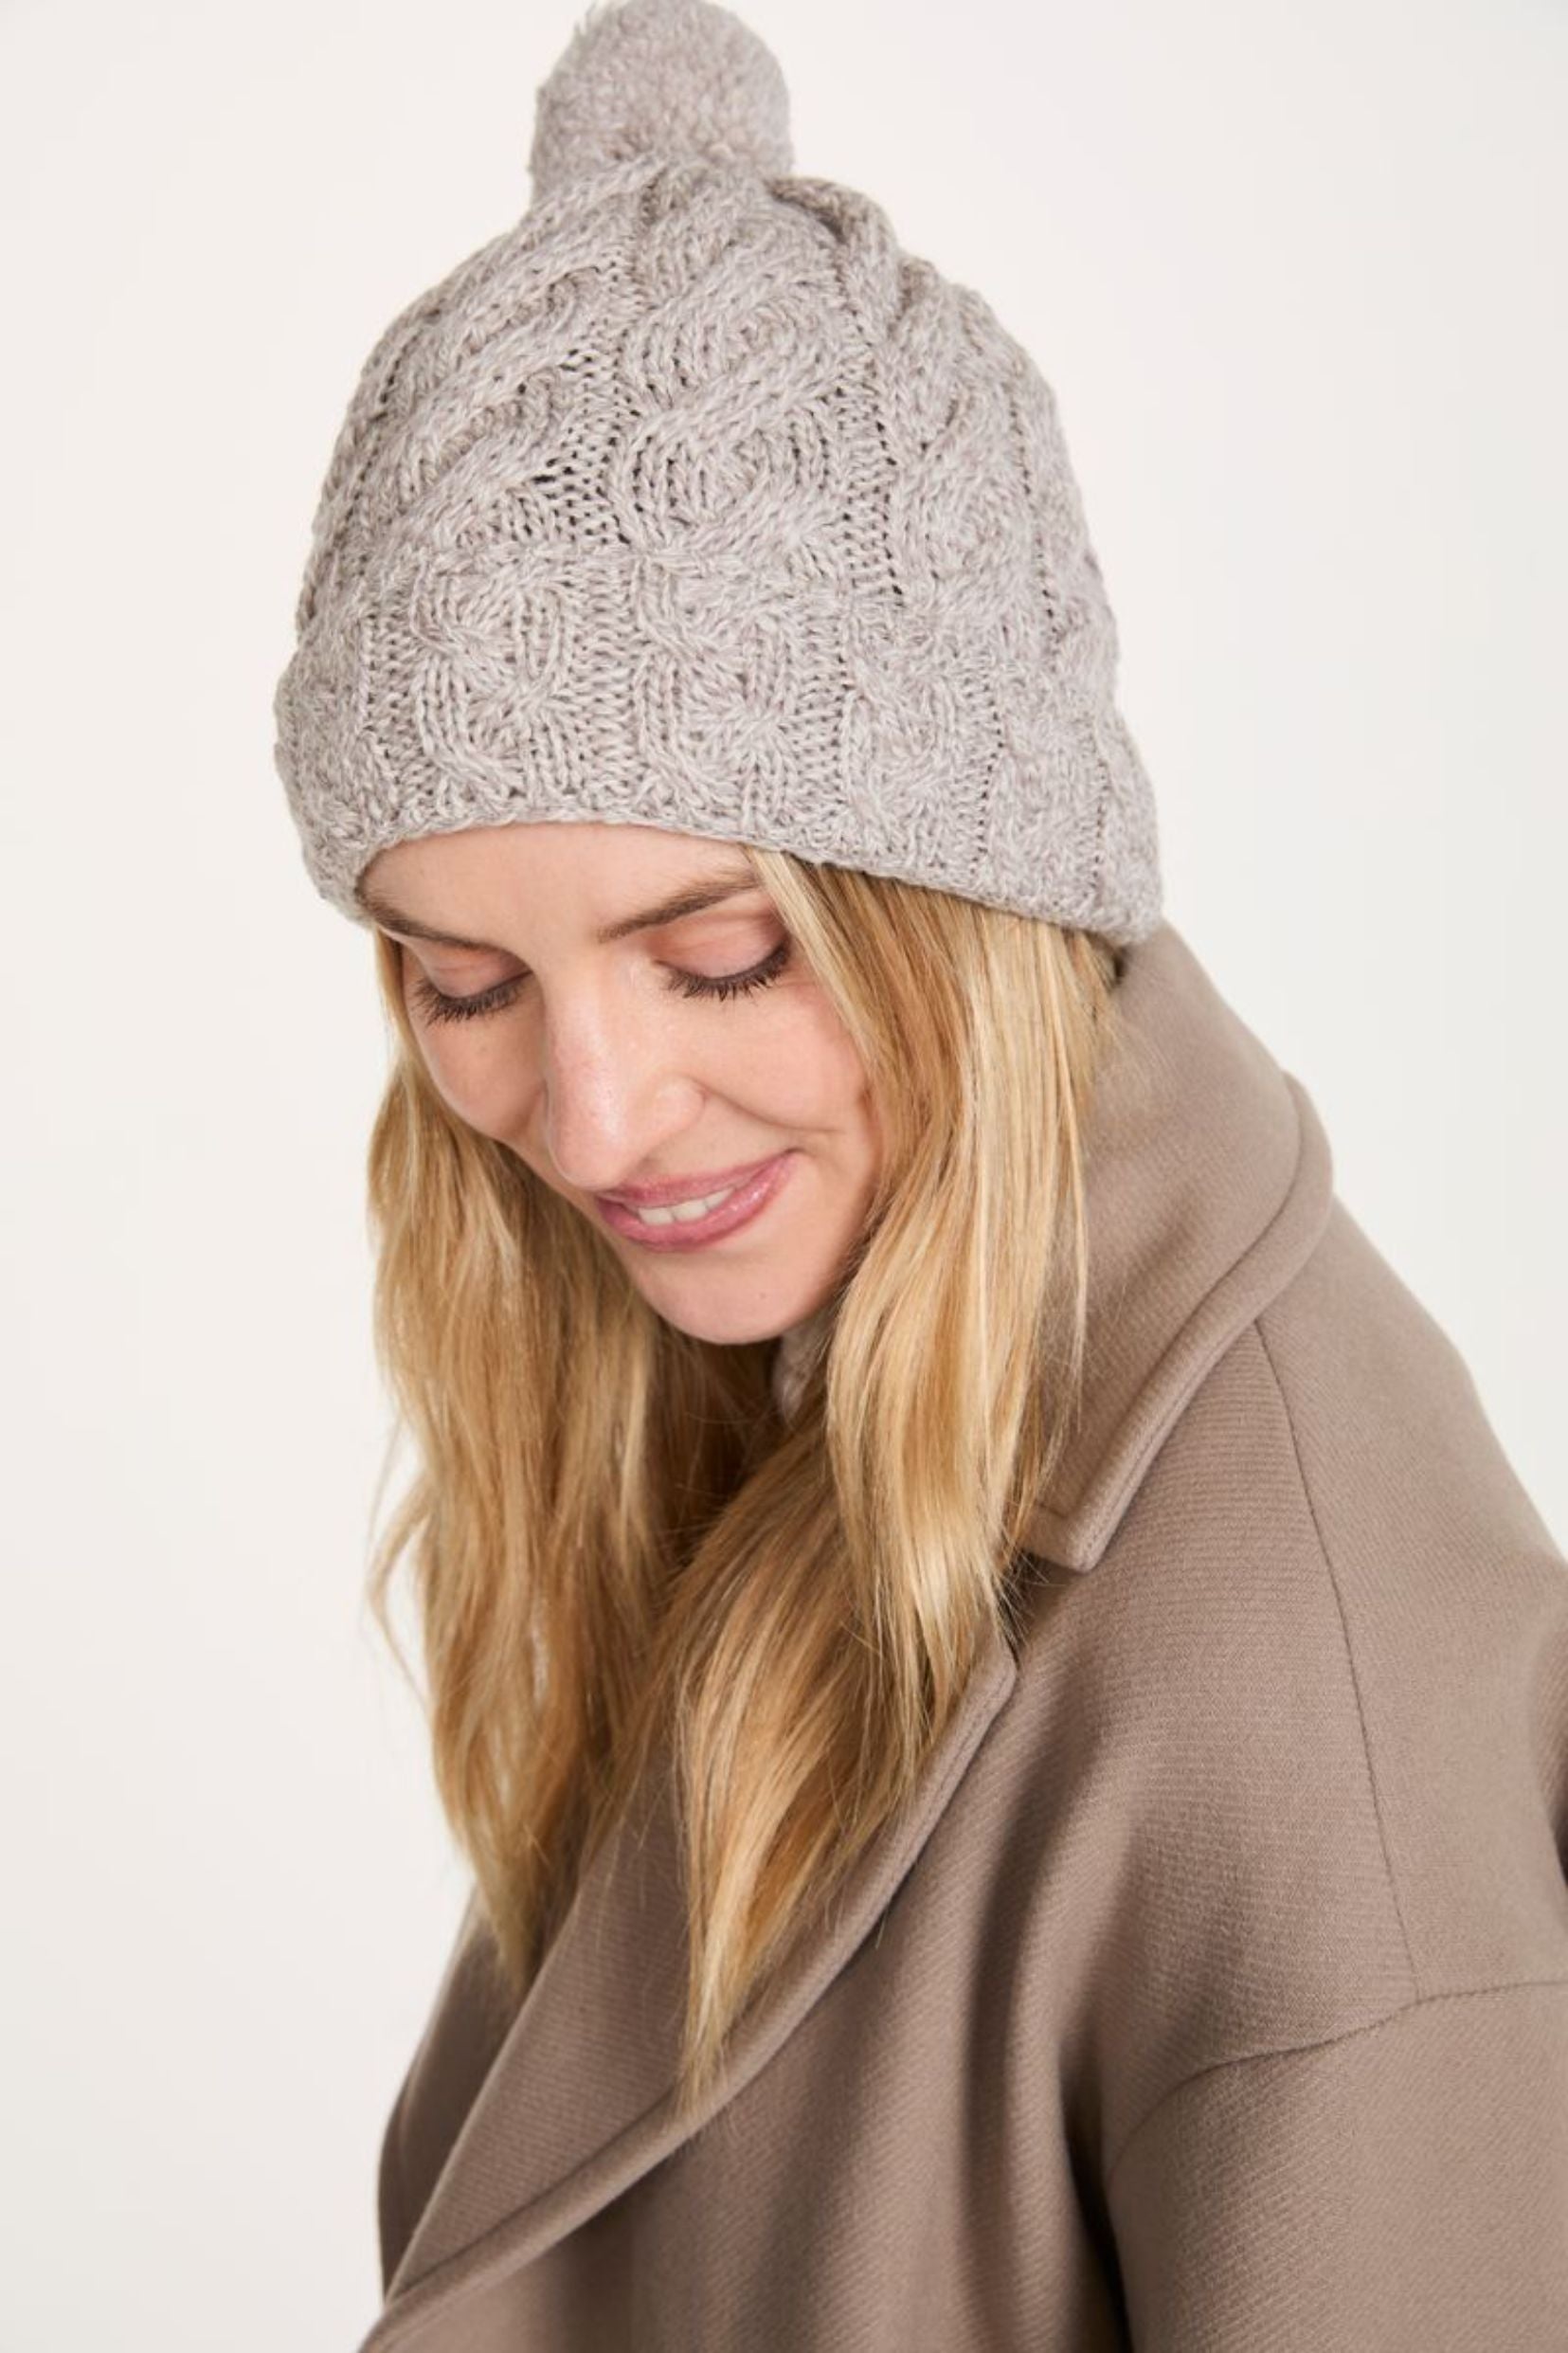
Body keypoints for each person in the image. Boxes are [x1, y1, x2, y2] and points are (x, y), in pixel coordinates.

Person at [271, 3, 1568, 2345]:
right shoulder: (795, 1383)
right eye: (464, 985)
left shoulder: (1292, 1689)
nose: (591, 1120)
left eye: (722, 956)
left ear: (968, 909)